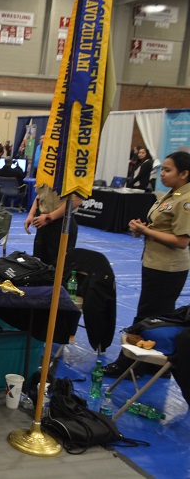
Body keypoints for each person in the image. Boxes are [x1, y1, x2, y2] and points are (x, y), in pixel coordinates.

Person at [104, 151, 190, 378]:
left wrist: (146, 231)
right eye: (162, 169)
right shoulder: (171, 194)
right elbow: (161, 227)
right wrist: (142, 229)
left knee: (146, 316)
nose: (162, 174)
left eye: (168, 170)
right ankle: (156, 365)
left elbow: (182, 241)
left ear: (184, 174)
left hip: (167, 268)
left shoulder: (185, 201)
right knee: (158, 317)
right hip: (154, 263)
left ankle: (128, 364)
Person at [24, 183, 83, 267]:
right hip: (42, 223)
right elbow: (40, 195)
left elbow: (77, 200)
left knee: (58, 265)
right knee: (38, 263)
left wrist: (49, 217)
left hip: (62, 224)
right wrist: (31, 214)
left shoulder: (72, 177)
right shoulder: (46, 175)